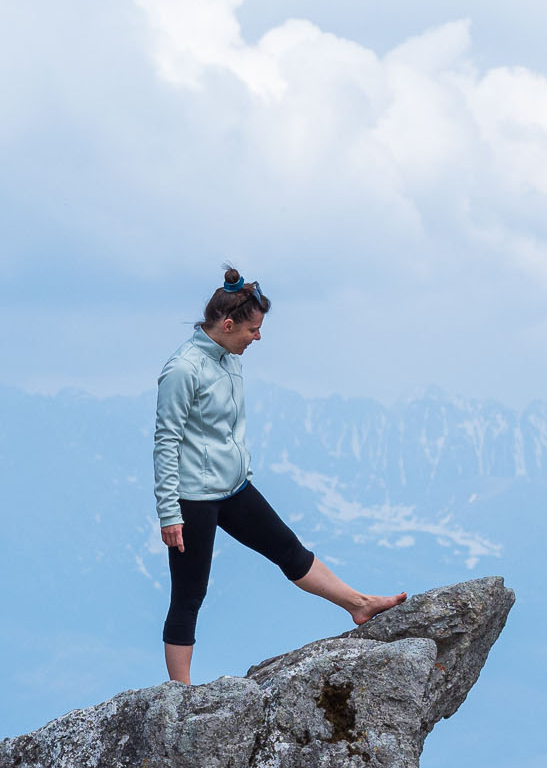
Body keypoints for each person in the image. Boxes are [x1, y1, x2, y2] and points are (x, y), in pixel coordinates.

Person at [153, 268, 407, 684]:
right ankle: (179, 695)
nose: (257, 338)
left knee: (290, 551)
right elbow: (166, 442)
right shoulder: (183, 370)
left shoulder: (229, 359)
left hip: (234, 489)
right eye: (252, 330)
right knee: (189, 594)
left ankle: (358, 604)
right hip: (193, 499)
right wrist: (169, 513)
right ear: (228, 324)